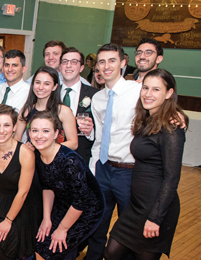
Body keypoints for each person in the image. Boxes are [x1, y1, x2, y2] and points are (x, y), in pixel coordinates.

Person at [104, 69, 188, 260]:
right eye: (145, 88)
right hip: (137, 206)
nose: (148, 94)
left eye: (156, 89)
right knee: (111, 252)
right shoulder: (148, 121)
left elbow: (172, 177)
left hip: (156, 208)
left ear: (169, 93)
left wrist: (155, 218)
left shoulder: (172, 129)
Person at [84, 43, 141, 260]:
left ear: (123, 63)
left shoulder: (137, 92)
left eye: (112, 61)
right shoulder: (98, 98)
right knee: (98, 221)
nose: (106, 66)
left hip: (128, 170)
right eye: (102, 62)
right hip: (103, 168)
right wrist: (95, 166)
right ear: (97, 66)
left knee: (128, 226)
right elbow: (100, 137)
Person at [29, 111, 104, 260]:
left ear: (56, 133)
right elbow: (47, 187)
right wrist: (46, 218)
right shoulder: (38, 155)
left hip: (87, 209)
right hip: (63, 203)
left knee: (56, 247)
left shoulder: (69, 160)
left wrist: (62, 229)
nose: (39, 136)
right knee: (39, 246)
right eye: (35, 130)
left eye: (45, 131)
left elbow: (81, 201)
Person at [0, 104, 40, 260]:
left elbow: (23, 192)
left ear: (14, 127)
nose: (1, 130)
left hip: (21, 205)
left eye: (6, 125)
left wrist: (8, 220)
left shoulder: (25, 153)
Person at [14, 66, 78, 150]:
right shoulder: (26, 110)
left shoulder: (63, 111)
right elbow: (17, 138)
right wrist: (24, 147)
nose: (41, 87)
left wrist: (48, 148)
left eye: (47, 84)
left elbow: (73, 143)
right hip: (31, 159)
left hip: (56, 159)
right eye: (37, 82)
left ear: (54, 87)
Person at [59, 47, 99, 162]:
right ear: (60, 67)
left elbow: (102, 130)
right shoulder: (51, 94)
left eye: (74, 62)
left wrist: (91, 132)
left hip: (82, 158)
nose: (68, 65)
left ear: (81, 67)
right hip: (53, 157)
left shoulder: (95, 95)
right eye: (65, 62)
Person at [25, 40, 90, 86]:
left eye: (55, 53)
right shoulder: (37, 77)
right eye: (47, 54)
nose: (50, 57)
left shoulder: (80, 82)